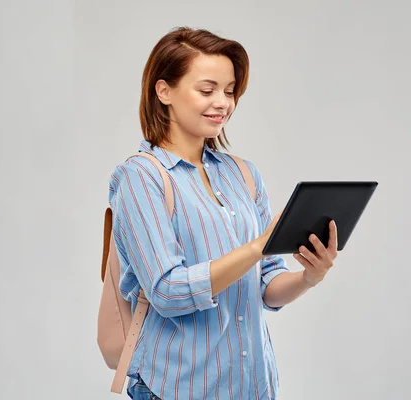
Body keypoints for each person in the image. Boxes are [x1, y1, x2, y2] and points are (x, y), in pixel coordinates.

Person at [108, 26, 338, 400]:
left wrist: (309, 277)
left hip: (252, 386)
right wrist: (257, 247)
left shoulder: (242, 174)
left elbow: (266, 285)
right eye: (207, 90)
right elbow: (167, 291)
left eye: (230, 91)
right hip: (177, 389)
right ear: (164, 91)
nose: (223, 103)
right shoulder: (141, 177)